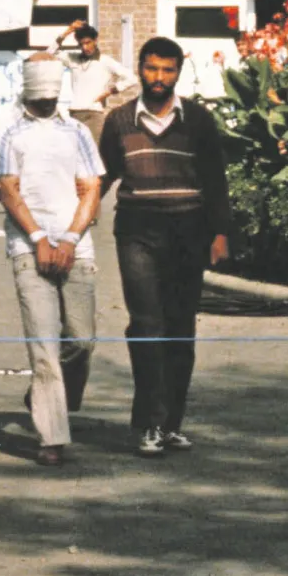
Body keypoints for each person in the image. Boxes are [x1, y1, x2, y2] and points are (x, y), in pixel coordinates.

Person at [99, 37, 231, 457]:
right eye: (152, 69)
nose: (159, 78)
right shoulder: (119, 121)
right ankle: (149, 424)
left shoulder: (198, 120)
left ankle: (171, 424)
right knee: (145, 324)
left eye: (167, 70)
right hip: (137, 230)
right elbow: (102, 178)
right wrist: (71, 223)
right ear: (139, 69)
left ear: (178, 73)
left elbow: (215, 181)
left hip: (188, 231)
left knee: (180, 328)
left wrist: (220, 234)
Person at [0, 56, 106, 466]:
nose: (45, 100)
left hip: (78, 245)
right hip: (27, 247)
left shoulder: (78, 133)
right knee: (44, 348)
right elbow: (7, 188)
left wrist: (71, 238)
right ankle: (52, 437)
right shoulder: (7, 133)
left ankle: (51, 396)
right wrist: (38, 237)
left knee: (82, 340)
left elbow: (92, 187)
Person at [54, 21, 139, 144]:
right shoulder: (73, 59)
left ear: (95, 40)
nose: (85, 47)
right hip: (74, 114)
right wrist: (69, 30)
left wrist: (110, 92)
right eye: (81, 44)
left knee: (94, 156)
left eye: (88, 43)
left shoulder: (105, 61)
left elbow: (132, 78)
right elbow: (49, 52)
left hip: (94, 115)